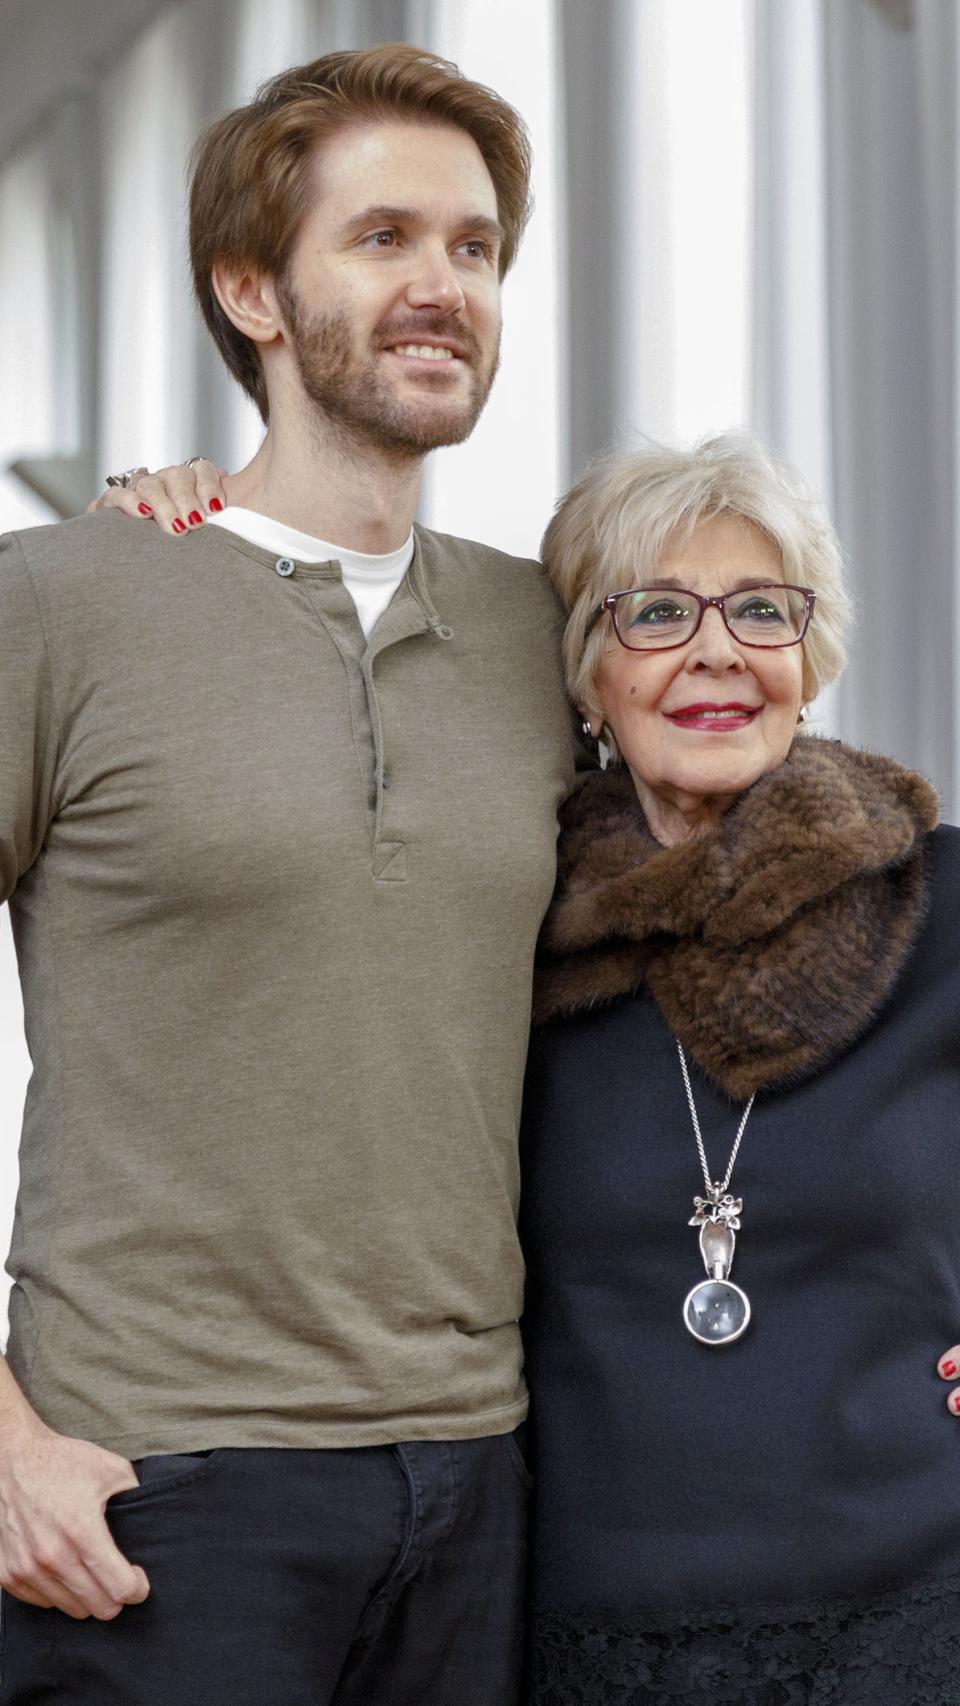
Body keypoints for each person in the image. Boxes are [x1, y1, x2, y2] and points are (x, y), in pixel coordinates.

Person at [0, 45, 580, 1706]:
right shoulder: (64, 603)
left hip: (483, 1481)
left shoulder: (544, 635)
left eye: (474, 249)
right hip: (156, 1491)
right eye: (383, 238)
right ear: (253, 289)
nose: (443, 287)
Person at [518, 432, 960, 1703]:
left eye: (760, 608)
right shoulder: (508, 942)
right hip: (584, 1625)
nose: (716, 647)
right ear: (589, 677)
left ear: (806, 661)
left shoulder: (940, 903)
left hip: (916, 1611)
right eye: (656, 610)